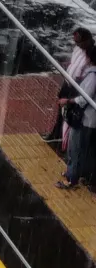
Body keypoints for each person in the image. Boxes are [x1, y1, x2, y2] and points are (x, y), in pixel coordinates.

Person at [59, 35, 96, 190]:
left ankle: (71, 178)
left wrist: (68, 101)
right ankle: (77, 174)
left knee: (76, 148)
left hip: (85, 119)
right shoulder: (91, 74)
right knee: (82, 149)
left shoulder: (93, 76)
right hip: (89, 119)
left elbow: (84, 98)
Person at [56, 26, 96, 153]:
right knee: (61, 109)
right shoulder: (78, 49)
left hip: (77, 87)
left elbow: (88, 75)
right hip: (68, 81)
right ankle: (57, 135)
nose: (77, 44)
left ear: (86, 40)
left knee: (70, 114)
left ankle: (66, 142)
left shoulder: (91, 53)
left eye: (79, 41)